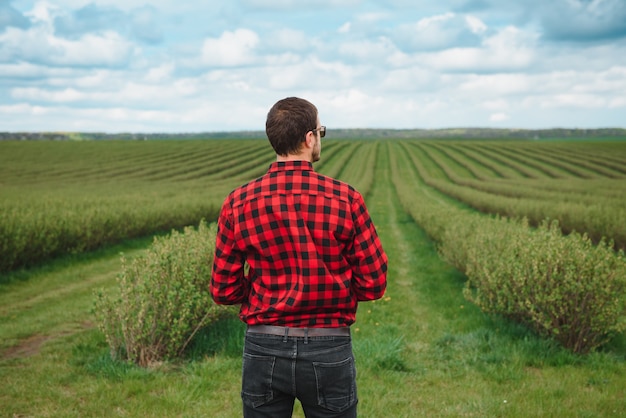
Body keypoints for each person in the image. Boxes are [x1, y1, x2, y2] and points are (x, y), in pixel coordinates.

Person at [210, 97, 388, 418]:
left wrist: (260, 292)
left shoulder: (238, 202)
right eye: (320, 131)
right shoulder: (346, 198)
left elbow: (223, 290)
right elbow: (374, 284)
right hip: (329, 345)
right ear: (309, 139)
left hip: (263, 344)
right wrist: (337, 290)